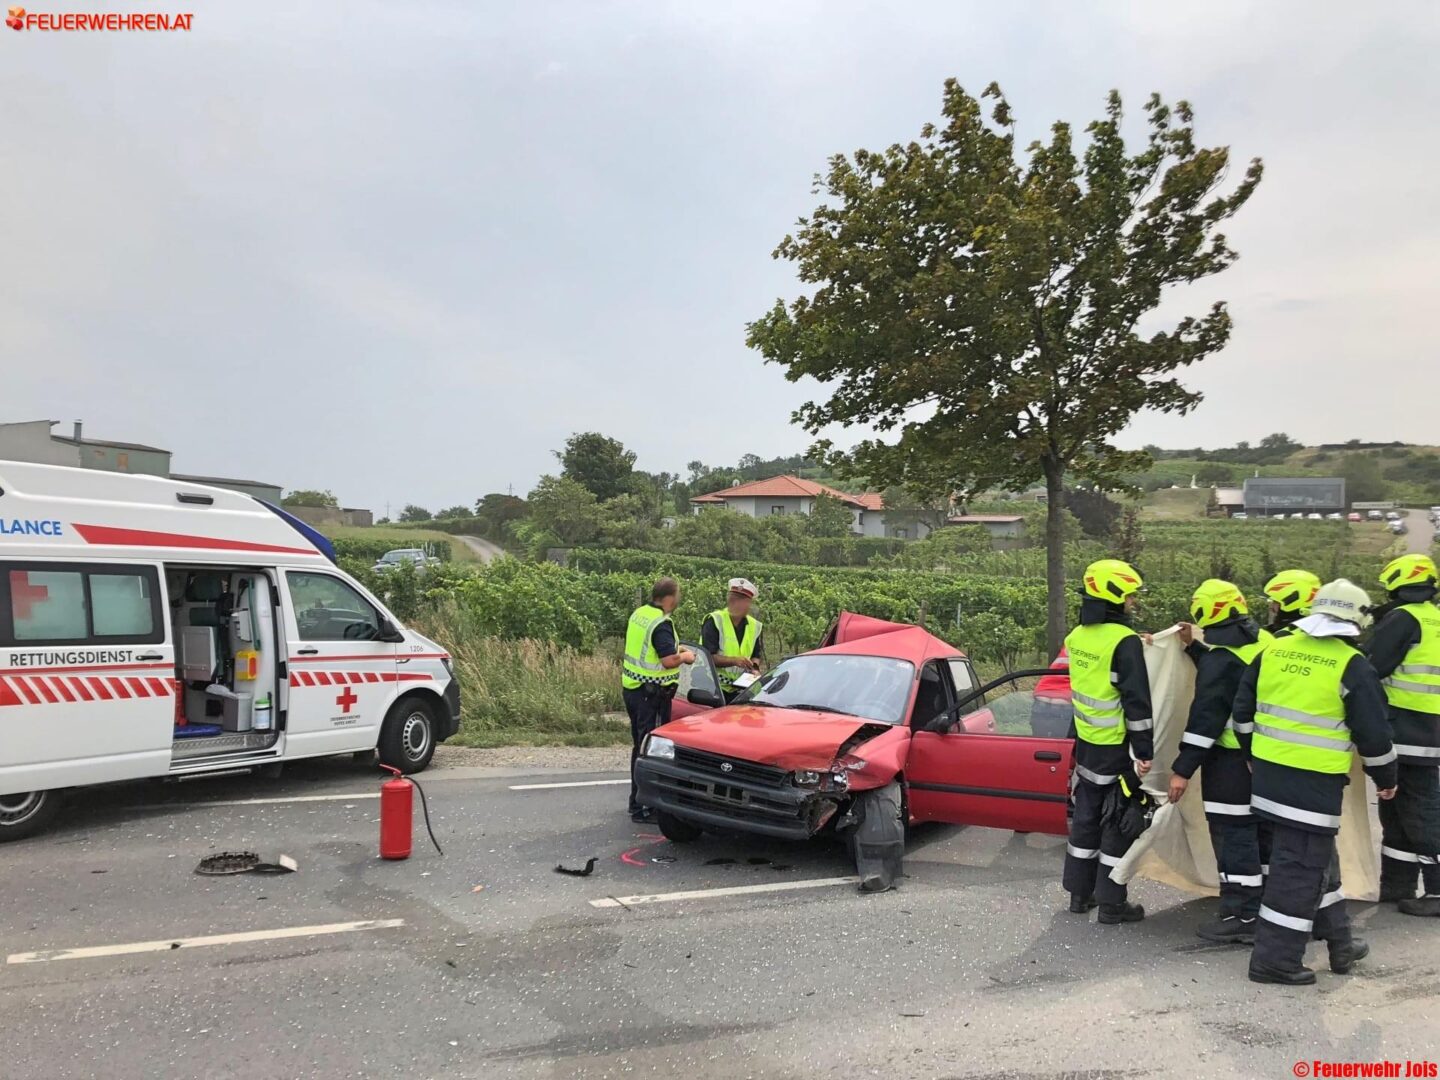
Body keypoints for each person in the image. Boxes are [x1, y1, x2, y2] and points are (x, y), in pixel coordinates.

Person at [1234, 579, 1398, 986]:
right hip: (1311, 788)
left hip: (1269, 780)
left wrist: (1253, 754)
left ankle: (1340, 943)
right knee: (1299, 870)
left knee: (1317, 861)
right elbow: (1374, 735)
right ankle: (1273, 961)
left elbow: (1242, 714)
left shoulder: (1274, 649)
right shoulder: (1351, 665)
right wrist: (1386, 778)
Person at [1168, 580, 1273, 943]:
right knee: (1263, 836)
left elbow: (1206, 719)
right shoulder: (1266, 643)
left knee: (1233, 838)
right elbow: (1233, 675)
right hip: (1268, 760)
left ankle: (1240, 917)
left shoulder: (1220, 658)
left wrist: (1182, 769)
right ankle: (1267, 910)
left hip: (1230, 764)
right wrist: (1195, 648)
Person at [1062, 558, 1154, 925]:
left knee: (1085, 820)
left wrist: (1139, 642)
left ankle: (1079, 894)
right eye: (1130, 595)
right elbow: (1137, 703)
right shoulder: (1123, 642)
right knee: (1116, 823)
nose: (1133, 602)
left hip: (1087, 744)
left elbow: (1102, 672)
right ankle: (1112, 903)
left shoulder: (1077, 636)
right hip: (1117, 749)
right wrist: (1144, 751)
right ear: (1115, 595)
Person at [1365, 554, 1440, 916]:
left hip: (1406, 727)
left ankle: (1437, 890)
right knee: (1395, 807)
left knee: (1419, 809)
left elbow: (1372, 666)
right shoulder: (1433, 618)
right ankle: (1397, 885)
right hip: (1428, 728)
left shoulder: (1403, 619)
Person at [622, 577, 695, 823]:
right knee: (650, 750)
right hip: (650, 694)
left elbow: (651, 649)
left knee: (639, 745)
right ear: (670, 597)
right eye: (678, 594)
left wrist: (675, 648)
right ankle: (644, 807)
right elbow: (667, 660)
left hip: (633, 689)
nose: (679, 598)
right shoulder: (661, 623)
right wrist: (685, 656)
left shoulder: (639, 614)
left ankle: (638, 803)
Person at [701, 578, 765, 703]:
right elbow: (708, 657)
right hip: (713, 687)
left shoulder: (754, 626)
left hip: (740, 689)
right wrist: (735, 661)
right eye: (732, 599)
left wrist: (755, 668)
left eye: (744, 602)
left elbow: (756, 654)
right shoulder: (715, 620)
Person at [1262, 569, 1322, 638]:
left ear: (1289, 600)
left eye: (1274, 601)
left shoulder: (1282, 637)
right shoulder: (1322, 630)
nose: (1271, 606)